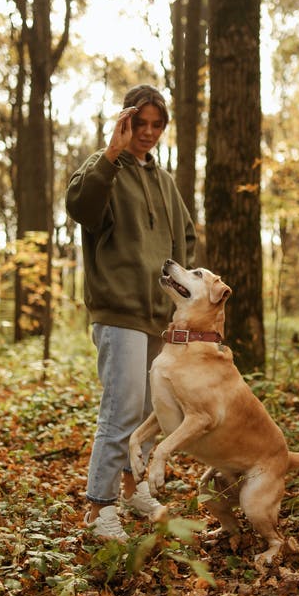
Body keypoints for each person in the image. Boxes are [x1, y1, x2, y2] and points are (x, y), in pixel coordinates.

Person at [66, 84, 196, 541]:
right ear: (124, 121)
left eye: (156, 125)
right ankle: (99, 507)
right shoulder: (101, 170)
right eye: (138, 123)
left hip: (158, 316)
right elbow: (80, 207)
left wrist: (180, 305)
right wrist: (110, 153)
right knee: (120, 411)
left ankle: (134, 488)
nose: (147, 132)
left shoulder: (164, 183)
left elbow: (184, 243)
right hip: (118, 312)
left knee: (146, 412)